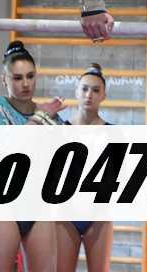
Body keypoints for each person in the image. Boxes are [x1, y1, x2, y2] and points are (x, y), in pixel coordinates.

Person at [0, 40, 66, 272]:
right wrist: (41, 118)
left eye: (30, 76)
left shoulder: (48, 114)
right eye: (17, 78)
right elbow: (9, 147)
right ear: (4, 80)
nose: (25, 83)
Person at [56, 63, 113, 272]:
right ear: (77, 92)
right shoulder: (61, 130)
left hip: (98, 216)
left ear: (103, 96)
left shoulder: (113, 134)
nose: (89, 95)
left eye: (96, 90)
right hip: (66, 215)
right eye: (85, 89)